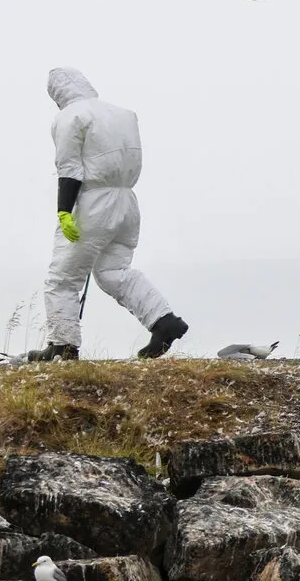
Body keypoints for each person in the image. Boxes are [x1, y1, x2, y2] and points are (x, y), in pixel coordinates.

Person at [30, 68, 187, 361]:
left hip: (93, 203)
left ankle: (62, 346)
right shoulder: (124, 114)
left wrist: (64, 211)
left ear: (57, 93)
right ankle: (165, 321)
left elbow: (70, 169)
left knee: (62, 279)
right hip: (127, 201)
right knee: (114, 272)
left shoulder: (71, 116)